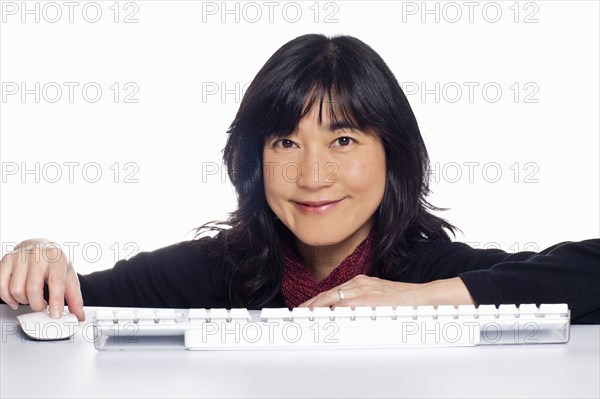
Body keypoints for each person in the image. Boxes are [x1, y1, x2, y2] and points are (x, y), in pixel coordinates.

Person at [1, 34, 599, 324]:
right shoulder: (215, 272)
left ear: (392, 155)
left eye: (343, 140)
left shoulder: (428, 272)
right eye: (286, 141)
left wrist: (431, 298)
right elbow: (59, 297)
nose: (313, 175)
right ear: (252, 160)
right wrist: (34, 260)